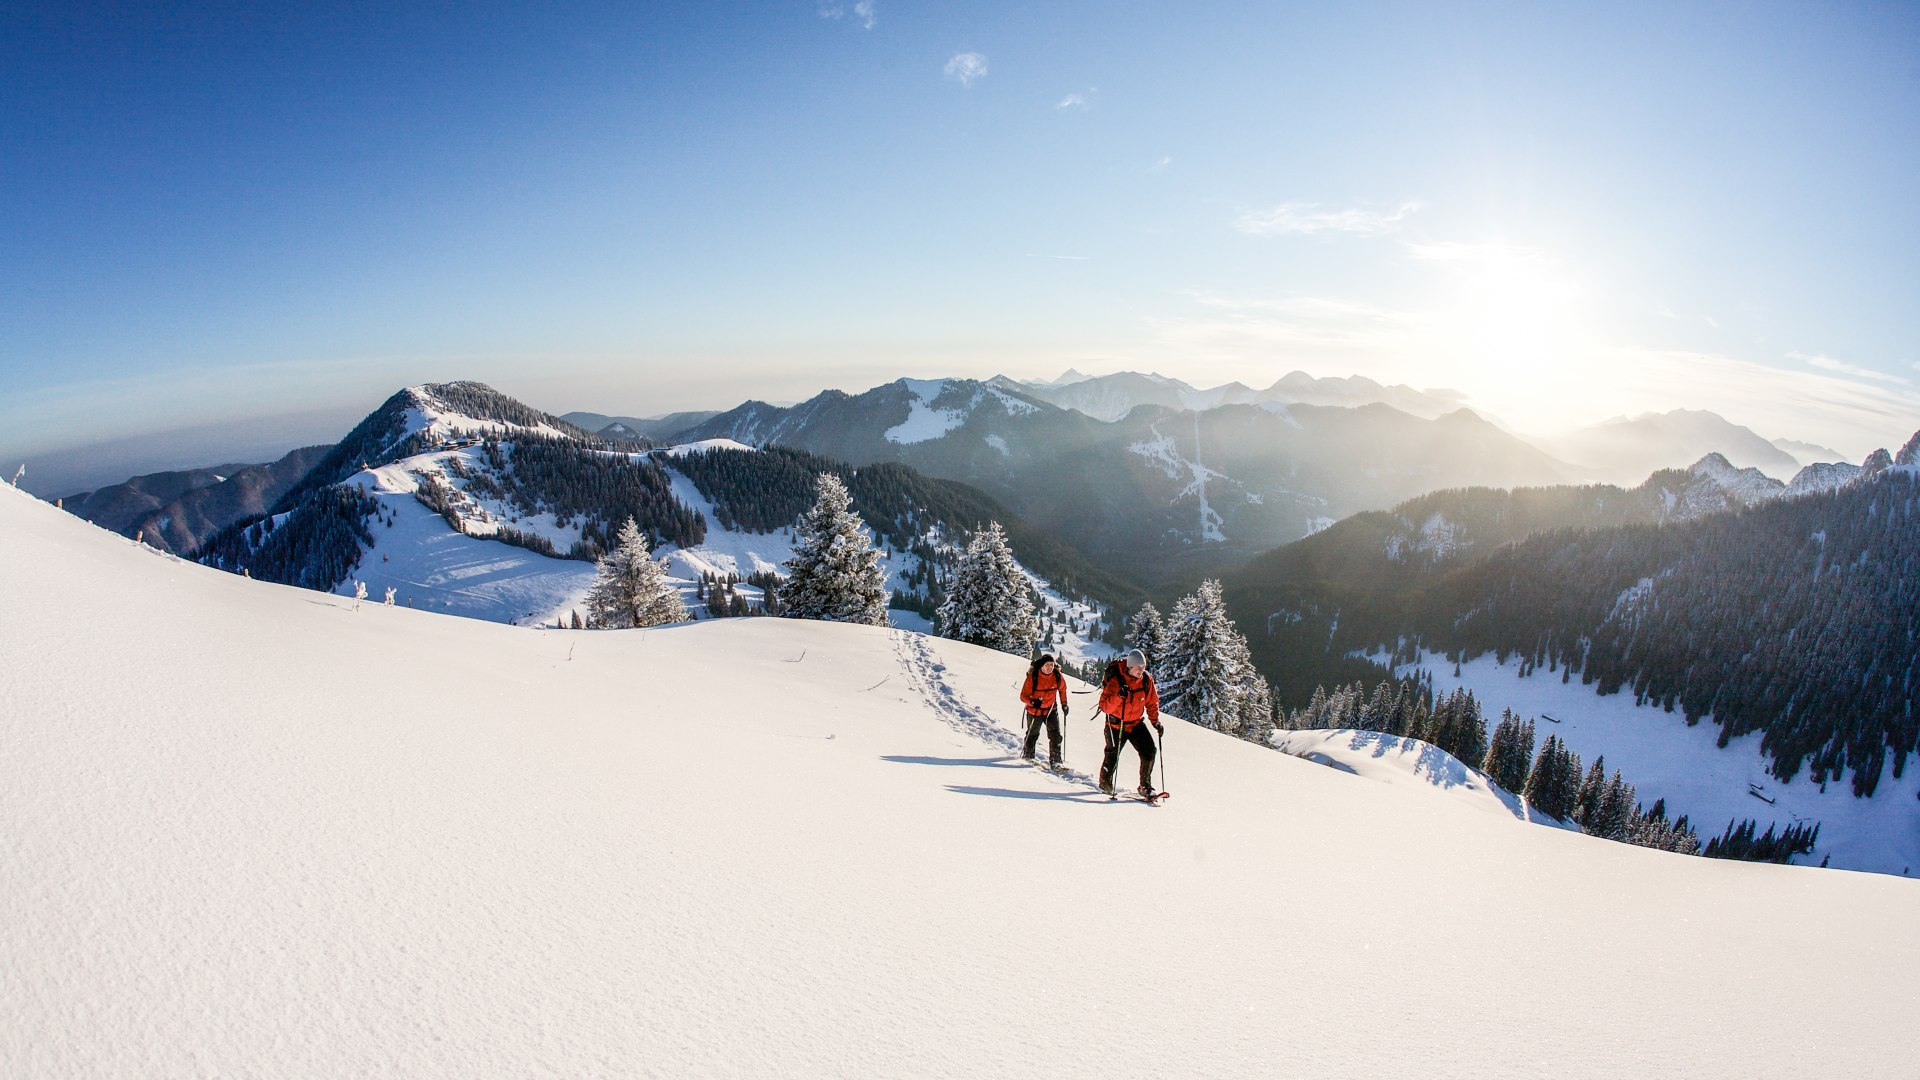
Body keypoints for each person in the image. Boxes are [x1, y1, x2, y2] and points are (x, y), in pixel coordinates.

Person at [1098, 648, 1162, 798]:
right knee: (1112, 755)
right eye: (1138, 668)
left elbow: (1152, 702)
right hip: (1116, 724)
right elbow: (1105, 706)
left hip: (1135, 723)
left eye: (1143, 667)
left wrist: (1155, 722)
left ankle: (1145, 786)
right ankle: (1105, 783)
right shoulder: (1116, 681)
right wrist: (1119, 696)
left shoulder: (1146, 680)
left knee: (1149, 752)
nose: (1141, 671)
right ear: (1129, 667)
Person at [1018, 653, 1070, 767]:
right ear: (1041, 665)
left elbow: (1062, 690)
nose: (1050, 667)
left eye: (1051, 665)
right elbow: (1023, 696)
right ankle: (1028, 756)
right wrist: (1032, 702)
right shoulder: (1033, 676)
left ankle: (1056, 762)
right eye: (1047, 665)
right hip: (1034, 711)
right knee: (1032, 735)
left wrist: (1064, 704)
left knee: (1055, 736)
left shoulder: (1057, 676)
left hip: (1051, 710)